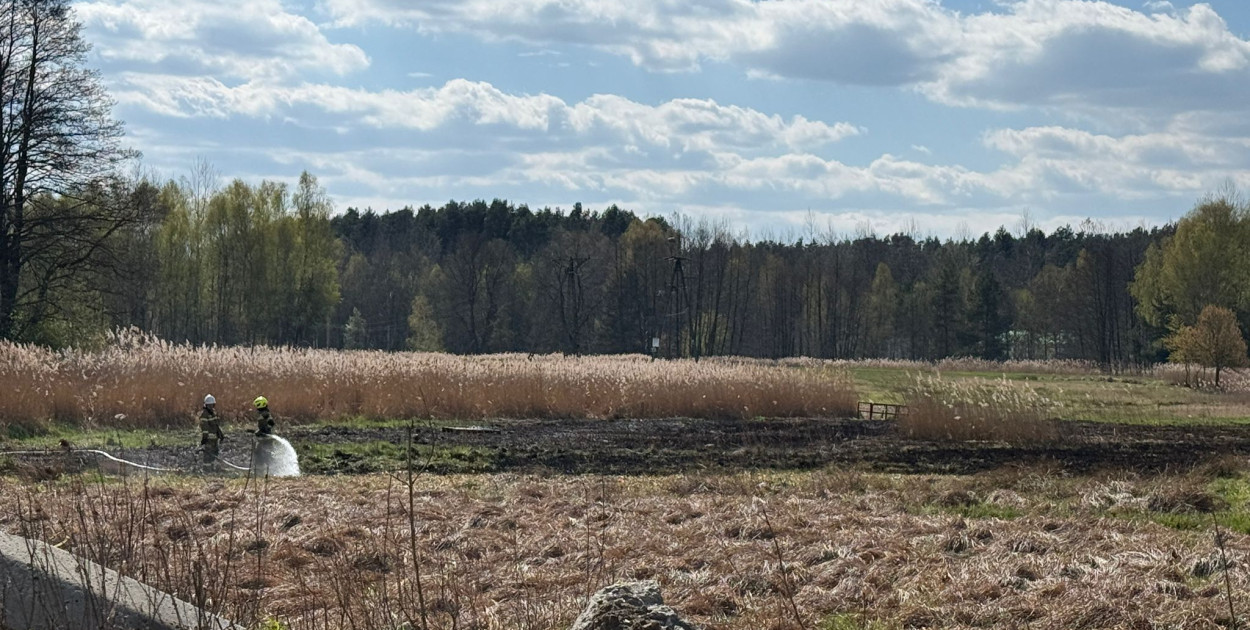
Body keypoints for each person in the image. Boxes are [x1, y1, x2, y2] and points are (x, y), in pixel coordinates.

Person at [199, 394, 225, 464]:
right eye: (209, 405)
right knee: (208, 457)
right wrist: (204, 439)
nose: (211, 407)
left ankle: (213, 470)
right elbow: (205, 428)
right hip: (209, 440)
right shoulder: (204, 415)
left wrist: (220, 434)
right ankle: (207, 470)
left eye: (212, 405)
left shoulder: (213, 414)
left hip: (215, 440)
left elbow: (216, 426)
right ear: (206, 405)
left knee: (214, 455)